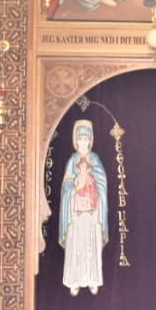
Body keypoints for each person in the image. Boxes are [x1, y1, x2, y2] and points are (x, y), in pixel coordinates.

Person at [59, 120, 109, 296]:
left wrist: (93, 187)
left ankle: (93, 280)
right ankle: (74, 281)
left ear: (90, 140)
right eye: (80, 138)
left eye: (86, 138)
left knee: (91, 244)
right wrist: (74, 189)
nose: (83, 142)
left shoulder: (95, 159)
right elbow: (66, 185)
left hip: (92, 210)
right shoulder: (72, 160)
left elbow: (102, 182)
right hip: (76, 211)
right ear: (76, 140)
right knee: (77, 244)